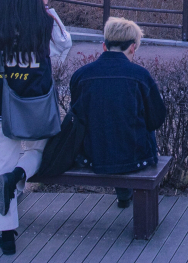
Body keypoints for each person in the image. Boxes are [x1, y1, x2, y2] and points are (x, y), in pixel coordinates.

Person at [0, 0, 73, 256]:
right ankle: (19, 175)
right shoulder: (44, 26)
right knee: (40, 151)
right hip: (35, 110)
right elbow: (65, 45)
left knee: (0, 164)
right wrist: (46, 7)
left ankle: (6, 235)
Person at [68, 18, 167, 209]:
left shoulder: (81, 75)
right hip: (135, 158)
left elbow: (77, 115)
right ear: (132, 47)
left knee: (103, 120)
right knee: (137, 124)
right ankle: (125, 194)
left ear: (104, 46)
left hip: (92, 156)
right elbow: (156, 119)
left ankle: (123, 194)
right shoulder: (140, 75)